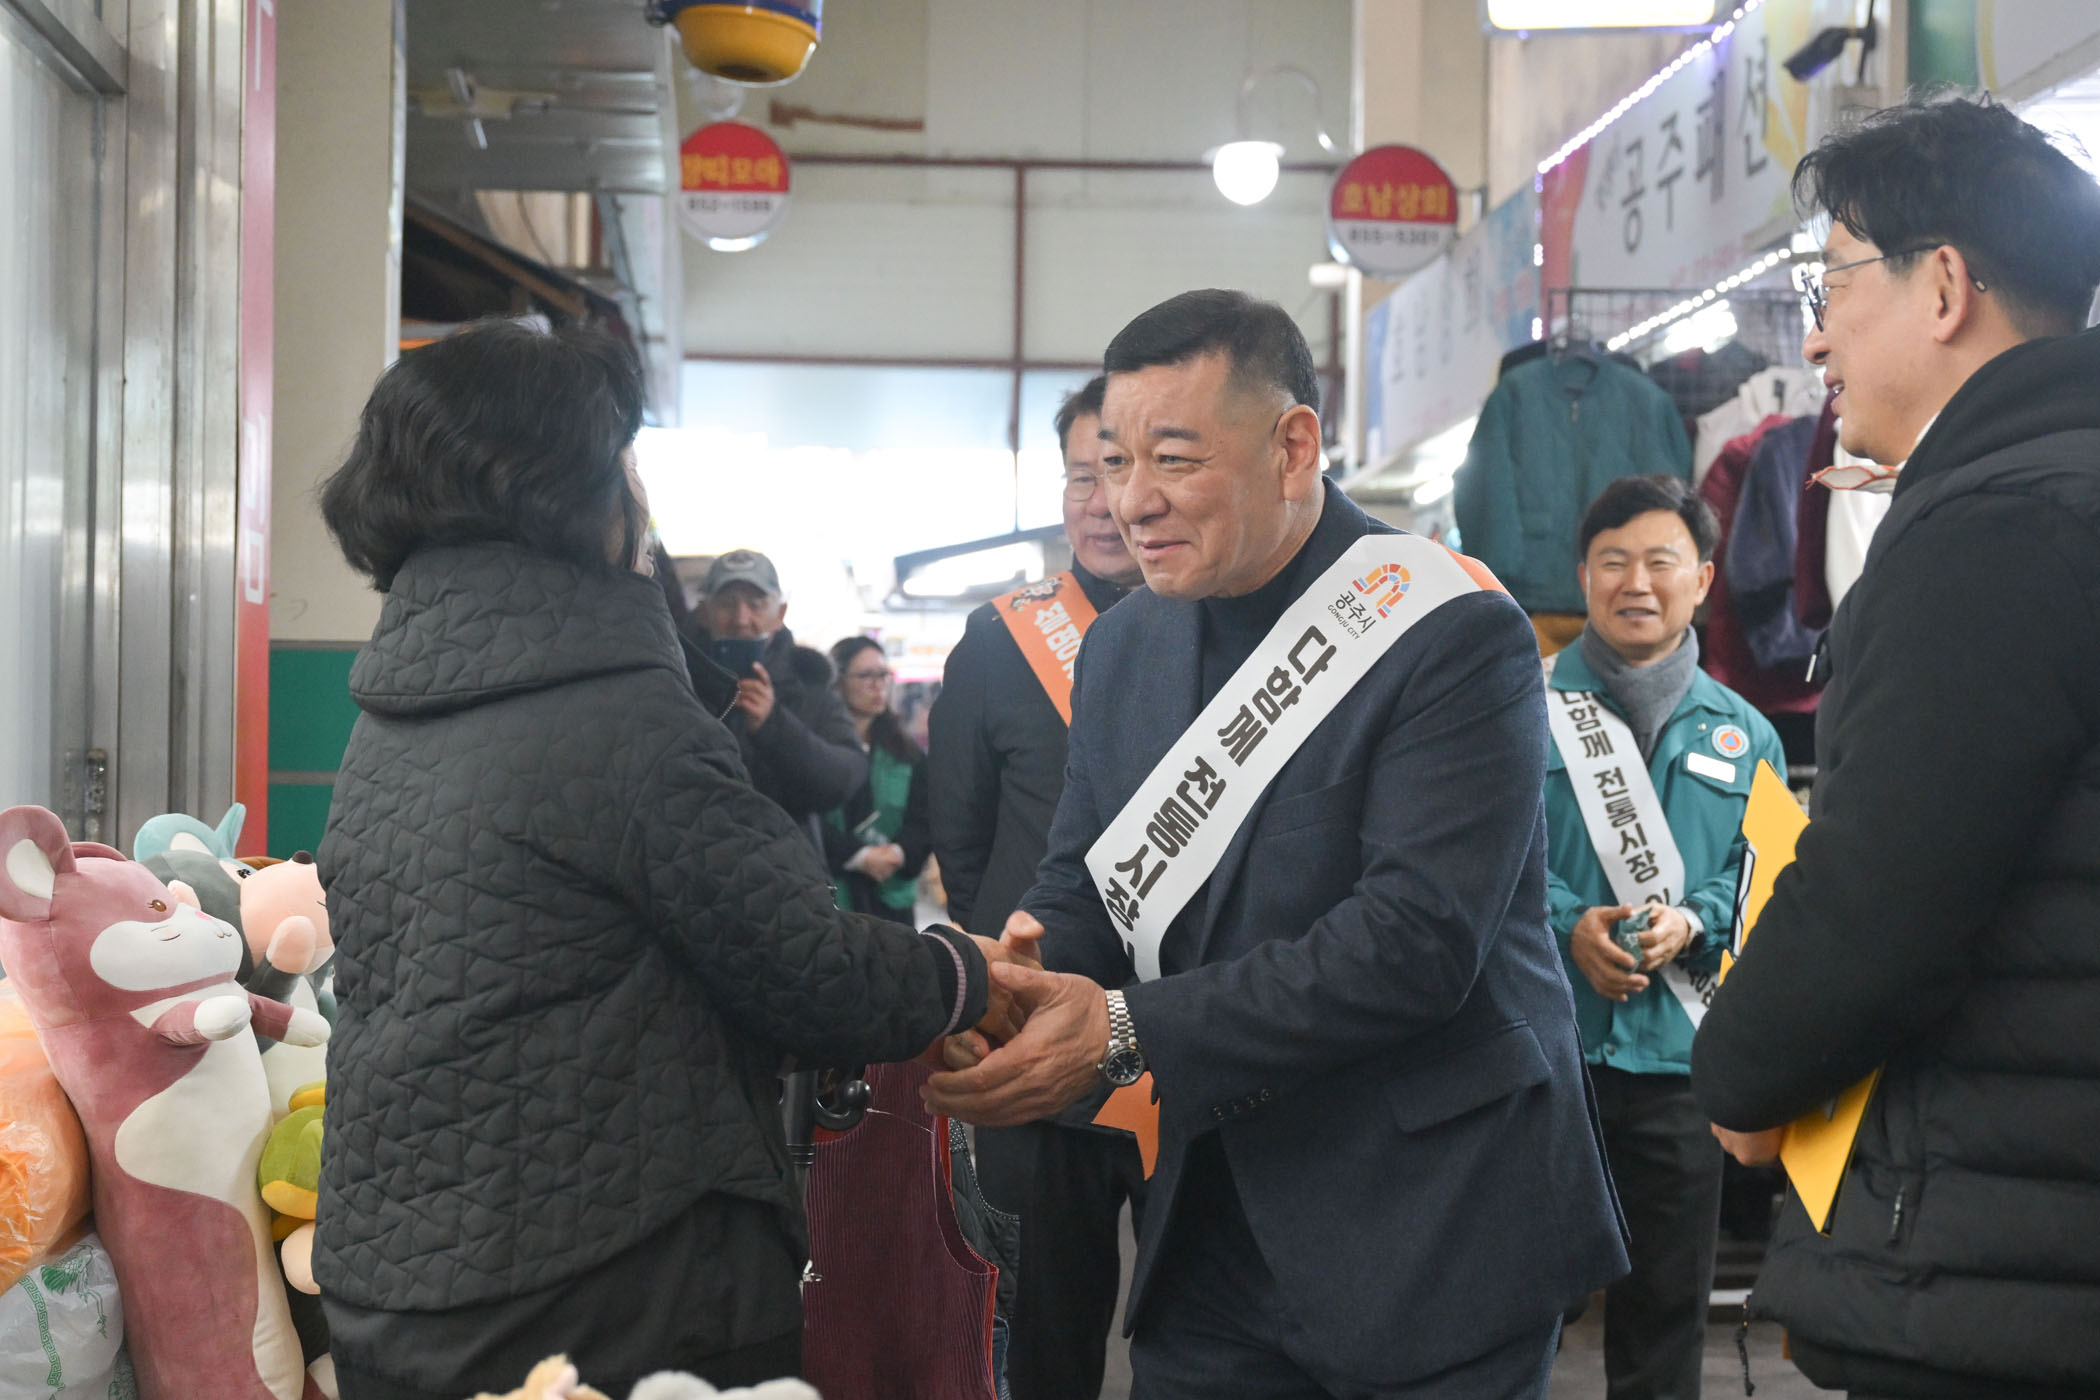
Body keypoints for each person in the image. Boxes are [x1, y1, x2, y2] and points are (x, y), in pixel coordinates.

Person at [926, 289, 1627, 1398]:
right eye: (1113, 463)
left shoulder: (1449, 628)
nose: (1133, 502)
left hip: (1432, 1224)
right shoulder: (1125, 647)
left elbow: (1415, 943)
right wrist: (1010, 976)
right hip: (1210, 1225)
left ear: (1293, 446)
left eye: (1174, 459)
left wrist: (1118, 1028)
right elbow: (1090, 881)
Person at [309, 318, 1016, 1400]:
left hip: (395, 1278)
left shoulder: (394, 706)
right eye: (623, 460)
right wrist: (964, 971)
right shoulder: (622, 713)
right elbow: (809, 971)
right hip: (603, 1290)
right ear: (565, 488)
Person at [1690, 94, 2100, 1398]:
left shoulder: (1992, 532)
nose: (1815, 335)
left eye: (1833, 284)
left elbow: (1882, 899)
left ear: (1944, 288)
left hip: (2003, 1268)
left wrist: (1740, 1069)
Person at [925, 376, 1147, 1400]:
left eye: (1125, 468)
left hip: (1188, 1033)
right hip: (1035, 1042)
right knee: (1043, 1328)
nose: (1101, 501)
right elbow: (961, 838)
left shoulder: (1234, 636)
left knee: (1203, 1321)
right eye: (1080, 475)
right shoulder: (998, 640)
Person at [1543, 475, 1783, 1400]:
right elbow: (1485, 858)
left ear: (1703, 579)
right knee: (1517, 1306)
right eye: (1613, 561)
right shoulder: (1520, 708)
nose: (1635, 583)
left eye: (1659, 562)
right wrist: (1569, 925)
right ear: (1583, 575)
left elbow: (1763, 878)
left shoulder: (1747, 735)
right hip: (1546, 1058)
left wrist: (1694, 920)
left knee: (1665, 1321)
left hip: (1682, 1068)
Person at [696, 548, 868, 833]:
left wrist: (773, 725)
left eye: (756, 604)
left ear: (780, 613)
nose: (741, 619)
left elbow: (845, 779)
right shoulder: (677, 679)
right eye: (727, 604)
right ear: (704, 613)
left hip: (784, 852)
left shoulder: (808, 682)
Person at [822, 635, 930, 924]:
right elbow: (806, 820)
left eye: (883, 674)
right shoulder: (817, 749)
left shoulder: (906, 752)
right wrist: (859, 856)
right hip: (831, 897)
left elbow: (924, 819)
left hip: (891, 900)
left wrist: (897, 852)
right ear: (838, 682)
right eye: (866, 675)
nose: (878, 684)